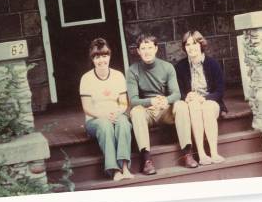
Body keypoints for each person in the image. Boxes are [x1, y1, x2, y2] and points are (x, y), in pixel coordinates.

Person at [126, 34, 198, 175]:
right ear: (138, 51)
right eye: (143, 48)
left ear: (156, 49)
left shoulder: (167, 67)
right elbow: (133, 100)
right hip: (147, 111)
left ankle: (187, 153)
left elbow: (176, 94)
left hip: (165, 110)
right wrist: (150, 101)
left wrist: (165, 101)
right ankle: (146, 160)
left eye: (150, 47)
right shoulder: (132, 70)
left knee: (181, 105)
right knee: (135, 111)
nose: (146, 51)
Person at [79, 38, 134, 181]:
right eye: (97, 57)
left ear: (109, 56)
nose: (101, 60)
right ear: (92, 59)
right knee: (105, 125)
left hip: (116, 114)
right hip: (95, 119)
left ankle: (124, 167)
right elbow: (87, 108)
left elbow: (123, 103)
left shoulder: (118, 75)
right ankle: (114, 170)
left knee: (123, 123)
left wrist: (117, 112)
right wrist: (103, 115)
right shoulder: (86, 78)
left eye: (104, 56)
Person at [175, 30, 227, 165]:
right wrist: (186, 96)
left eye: (194, 44)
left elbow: (220, 90)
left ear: (201, 45)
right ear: (184, 47)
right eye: (187, 45)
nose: (191, 47)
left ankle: (214, 152)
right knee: (193, 106)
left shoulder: (213, 64)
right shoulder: (180, 67)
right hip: (193, 102)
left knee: (207, 108)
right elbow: (178, 90)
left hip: (210, 100)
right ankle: (202, 154)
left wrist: (205, 98)